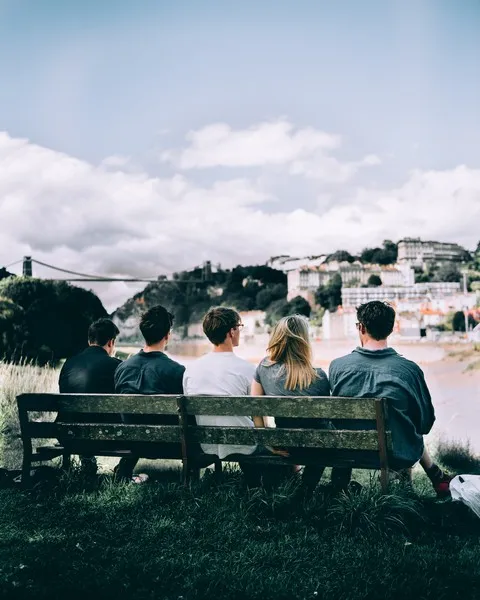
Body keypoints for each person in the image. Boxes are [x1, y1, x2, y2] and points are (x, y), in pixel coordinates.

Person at [329, 300, 452, 496]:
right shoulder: (409, 371)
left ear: (361, 327)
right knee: (405, 425)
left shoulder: (337, 367)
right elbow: (425, 424)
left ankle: (339, 488)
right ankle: (427, 482)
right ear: (391, 329)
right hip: (395, 454)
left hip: (350, 452)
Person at [251, 314, 349, 493]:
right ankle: (312, 487)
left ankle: (297, 486)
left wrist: (267, 442)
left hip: (286, 444)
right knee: (327, 439)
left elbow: (255, 408)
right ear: (304, 341)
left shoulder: (263, 368)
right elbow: (325, 417)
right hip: (317, 447)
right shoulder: (318, 376)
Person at [114, 305, 185, 482]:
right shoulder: (177, 371)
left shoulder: (122, 368)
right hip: (169, 445)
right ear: (167, 335)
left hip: (131, 443)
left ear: (143, 334)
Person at [58, 318, 122, 476]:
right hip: (104, 437)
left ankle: (86, 460)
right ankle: (124, 468)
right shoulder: (116, 365)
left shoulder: (69, 363)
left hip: (68, 435)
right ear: (111, 342)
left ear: (89, 340)